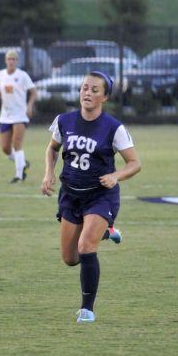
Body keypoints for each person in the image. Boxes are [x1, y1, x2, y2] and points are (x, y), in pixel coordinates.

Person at [41, 71, 141, 324]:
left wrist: (116, 176)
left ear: (104, 97)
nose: (87, 92)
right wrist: (48, 174)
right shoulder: (64, 121)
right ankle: (106, 233)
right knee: (70, 258)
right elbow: (52, 149)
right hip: (71, 195)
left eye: (95, 90)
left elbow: (134, 163)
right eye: (84, 87)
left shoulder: (113, 128)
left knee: (86, 246)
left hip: (100, 196)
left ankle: (87, 309)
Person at [0, 49, 37, 183]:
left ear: (17, 61)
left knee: (17, 143)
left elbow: (33, 92)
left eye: (14, 59)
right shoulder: (0, 75)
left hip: (20, 115)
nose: (11, 61)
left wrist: (29, 106)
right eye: (9, 59)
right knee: (5, 148)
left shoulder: (22, 75)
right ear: (5, 61)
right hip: (5, 115)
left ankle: (19, 175)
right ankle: (22, 163)